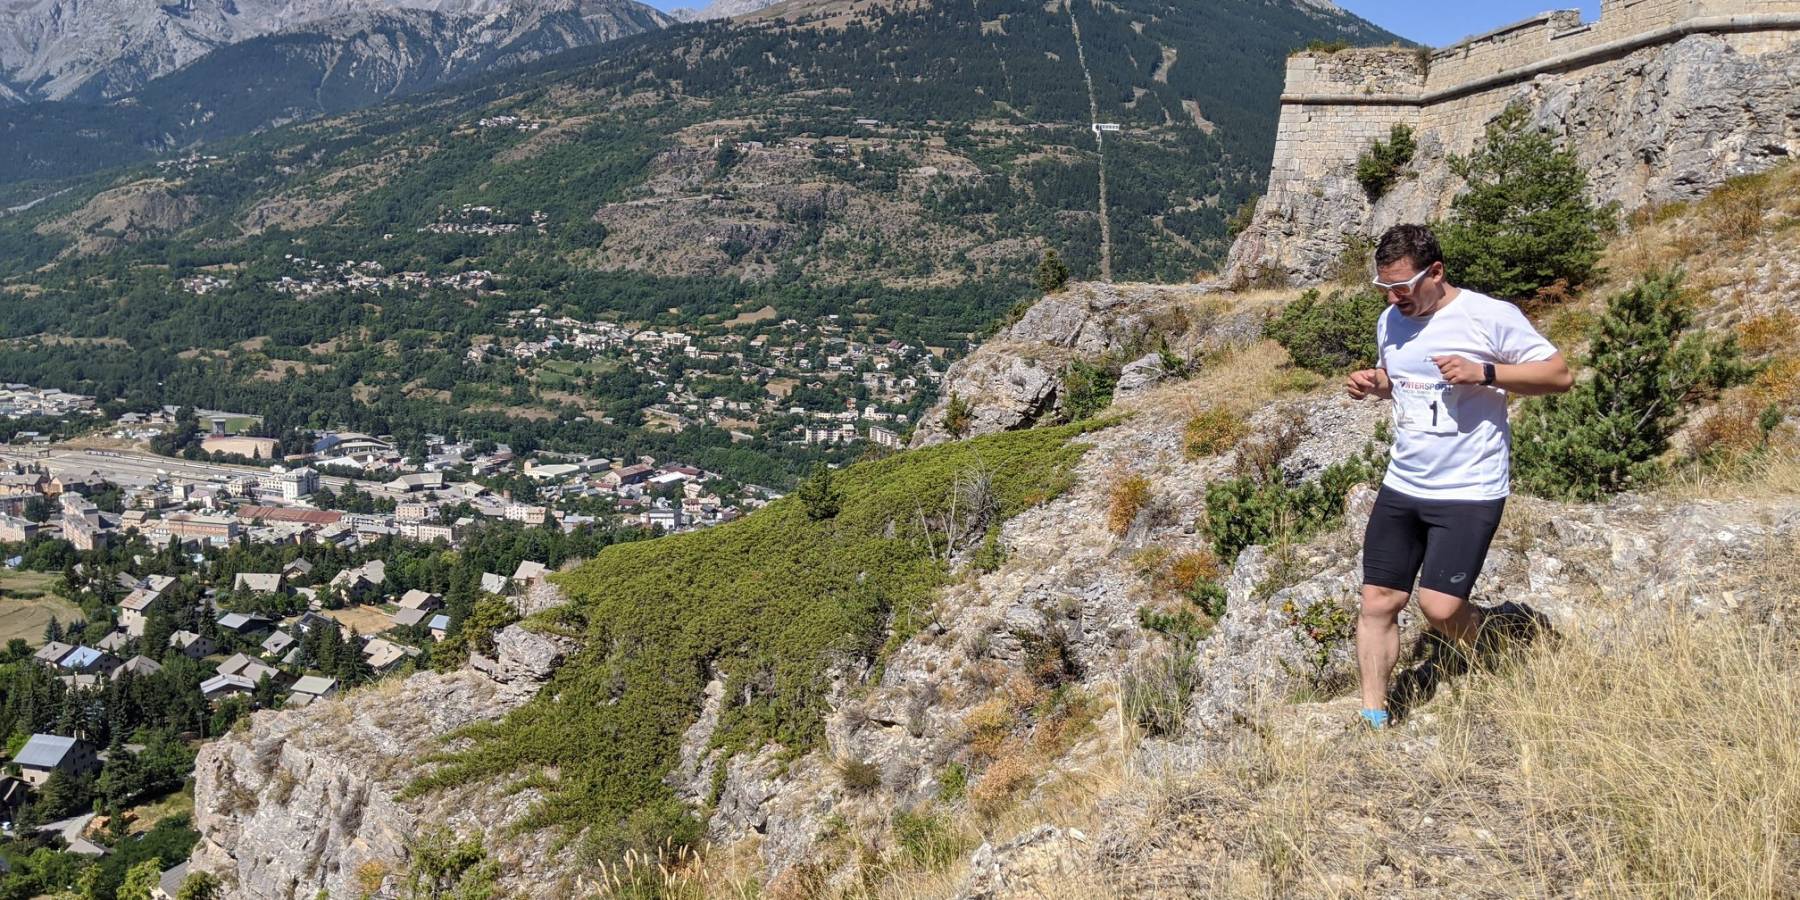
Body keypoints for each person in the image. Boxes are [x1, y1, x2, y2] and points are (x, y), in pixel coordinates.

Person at [1344, 224, 1573, 730]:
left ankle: (1492, 648)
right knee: (1378, 600)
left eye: (1403, 286)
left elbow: (1559, 375)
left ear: (1436, 272)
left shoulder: (1489, 316)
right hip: (1403, 483)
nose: (1394, 298)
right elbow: (1402, 379)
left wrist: (1485, 373)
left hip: (1469, 488)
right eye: (1384, 288)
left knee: (1441, 609)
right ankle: (1373, 716)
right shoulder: (1390, 320)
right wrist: (1374, 383)